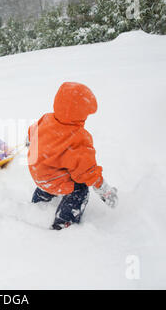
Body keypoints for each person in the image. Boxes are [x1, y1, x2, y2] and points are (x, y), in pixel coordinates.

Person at [27, 82, 118, 230]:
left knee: (53, 169)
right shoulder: (78, 139)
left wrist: (31, 142)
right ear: (81, 113)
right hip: (53, 179)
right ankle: (63, 222)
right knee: (80, 189)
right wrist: (104, 190)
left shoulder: (46, 119)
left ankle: (40, 200)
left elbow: (31, 132)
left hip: (38, 173)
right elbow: (87, 173)